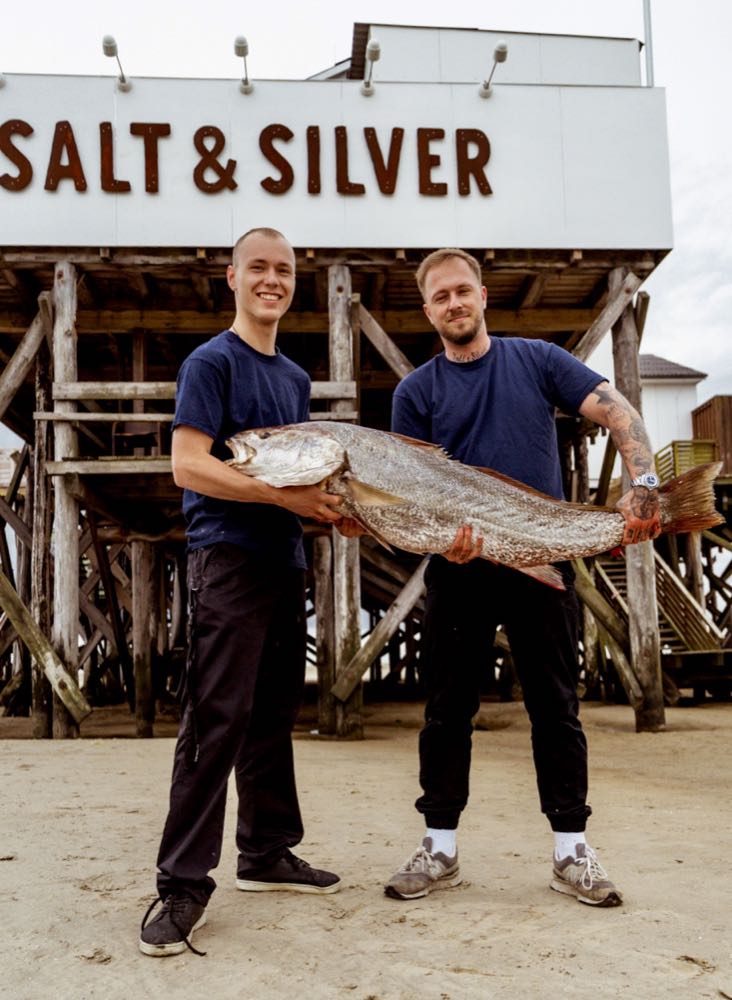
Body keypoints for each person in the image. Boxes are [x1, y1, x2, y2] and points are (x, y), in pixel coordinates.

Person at [384, 247, 661, 907]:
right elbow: (408, 496)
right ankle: (439, 848)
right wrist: (438, 542)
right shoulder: (413, 393)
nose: (453, 303)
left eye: (462, 291)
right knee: (446, 711)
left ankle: (573, 853)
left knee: (556, 708)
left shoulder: (536, 360)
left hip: (544, 559)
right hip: (461, 572)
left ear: (482, 295)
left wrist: (644, 479)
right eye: (440, 297)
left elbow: (614, 407)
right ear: (428, 311)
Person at [140, 228, 345, 957]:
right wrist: (284, 500)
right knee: (216, 716)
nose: (272, 280)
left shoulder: (293, 378)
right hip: (225, 558)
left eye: (284, 270)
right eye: (258, 267)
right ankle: (182, 883)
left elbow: (298, 477)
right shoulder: (210, 362)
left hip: (284, 560)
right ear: (232, 277)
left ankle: (265, 852)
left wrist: (328, 509)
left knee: (273, 715)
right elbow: (188, 466)